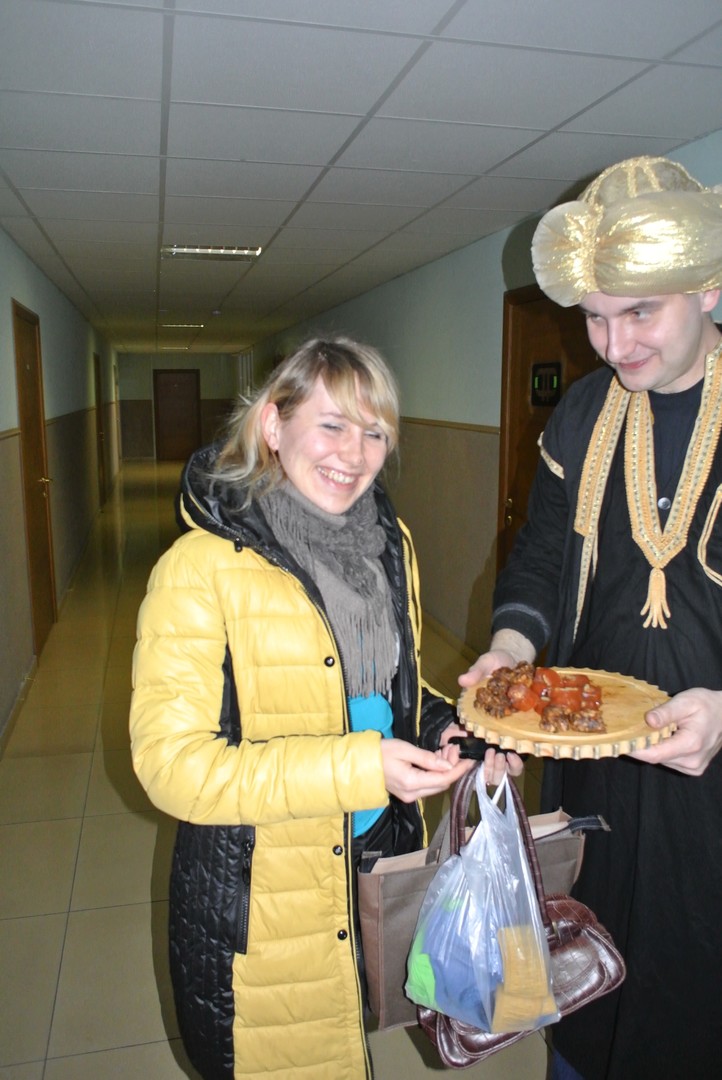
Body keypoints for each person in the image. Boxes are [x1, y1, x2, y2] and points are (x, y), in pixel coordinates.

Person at [129, 337, 517, 1080]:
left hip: (372, 858)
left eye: (375, 433)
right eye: (332, 425)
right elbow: (170, 766)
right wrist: (360, 768)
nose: (355, 454)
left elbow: (390, 697)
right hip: (264, 899)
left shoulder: (385, 547)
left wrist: (456, 735)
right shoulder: (200, 569)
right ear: (273, 426)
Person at [460, 155, 722, 1080]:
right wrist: (509, 648)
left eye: (639, 313)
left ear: (709, 286)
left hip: (711, 786)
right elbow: (540, 552)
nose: (613, 345)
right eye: (596, 318)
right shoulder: (582, 413)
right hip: (593, 764)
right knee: (586, 983)